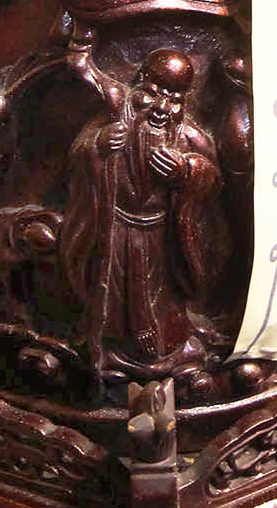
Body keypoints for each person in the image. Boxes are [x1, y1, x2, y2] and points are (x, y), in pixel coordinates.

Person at [61, 49, 225, 372]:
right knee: (113, 296)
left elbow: (212, 178)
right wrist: (98, 146)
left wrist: (187, 171)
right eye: (152, 94)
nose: (161, 109)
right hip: (115, 230)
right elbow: (79, 154)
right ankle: (111, 349)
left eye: (174, 101)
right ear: (138, 85)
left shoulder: (188, 138)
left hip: (161, 236)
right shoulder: (116, 121)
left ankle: (167, 346)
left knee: (162, 299)